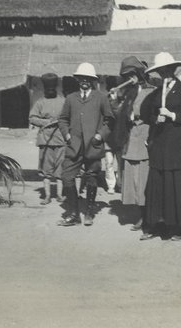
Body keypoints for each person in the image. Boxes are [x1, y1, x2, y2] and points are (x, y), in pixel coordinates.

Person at [139, 52, 181, 241]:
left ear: (173, 70)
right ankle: (159, 225)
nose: (163, 74)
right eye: (160, 71)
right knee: (158, 187)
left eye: (166, 70)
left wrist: (173, 115)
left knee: (179, 187)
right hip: (161, 147)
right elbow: (144, 114)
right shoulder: (156, 93)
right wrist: (154, 118)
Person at [57, 62, 114, 226]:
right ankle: (74, 214)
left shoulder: (101, 98)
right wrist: (67, 135)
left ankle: (89, 211)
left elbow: (109, 120)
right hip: (74, 146)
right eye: (82, 78)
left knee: (91, 178)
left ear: (93, 80)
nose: (85, 81)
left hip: (93, 146)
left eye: (88, 78)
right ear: (78, 79)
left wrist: (100, 136)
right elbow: (63, 119)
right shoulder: (70, 98)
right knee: (66, 177)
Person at [109, 56, 152, 230]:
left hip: (146, 139)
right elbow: (119, 116)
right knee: (135, 181)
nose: (130, 79)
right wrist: (113, 100)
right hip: (131, 140)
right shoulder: (129, 94)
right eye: (127, 76)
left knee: (145, 180)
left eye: (132, 75)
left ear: (140, 74)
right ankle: (142, 216)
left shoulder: (152, 91)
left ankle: (150, 217)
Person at [29, 73, 65, 204]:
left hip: (61, 140)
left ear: (56, 88)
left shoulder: (63, 101)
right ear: (44, 89)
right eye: (47, 89)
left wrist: (61, 121)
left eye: (52, 89)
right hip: (45, 140)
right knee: (46, 170)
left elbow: (69, 116)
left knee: (61, 168)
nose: (50, 91)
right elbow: (32, 118)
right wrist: (45, 122)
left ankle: (60, 195)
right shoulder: (40, 103)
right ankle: (47, 195)